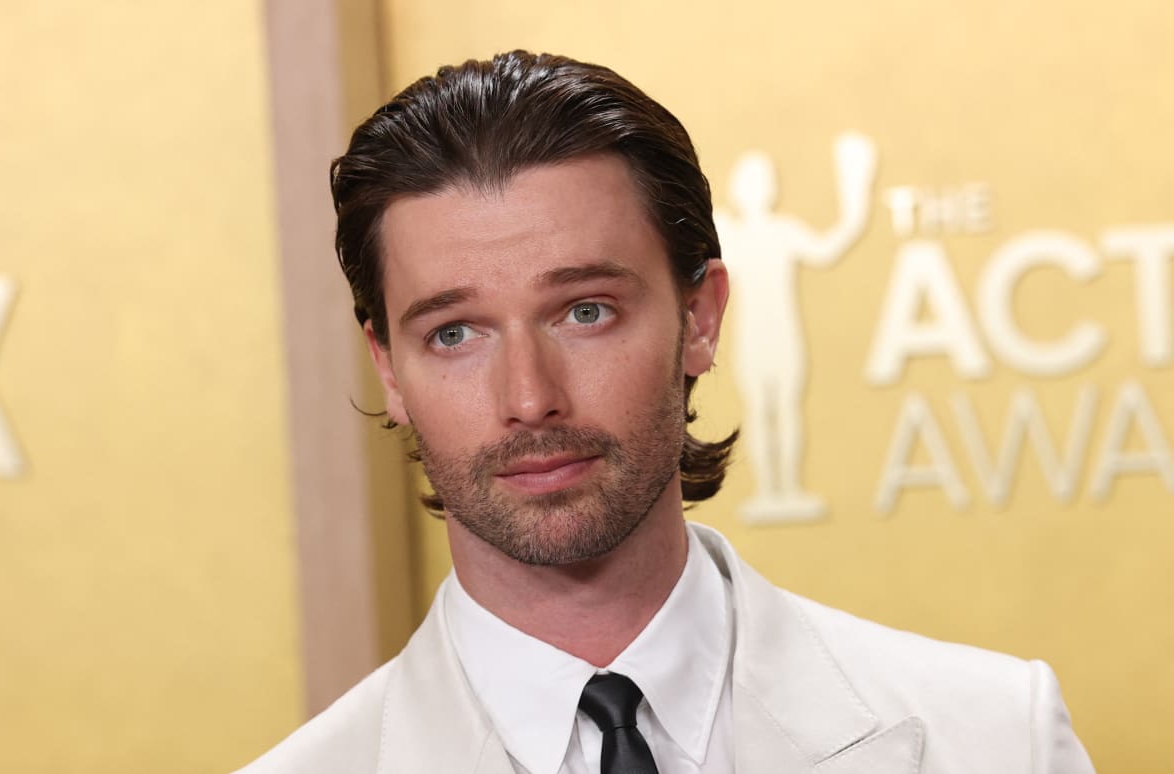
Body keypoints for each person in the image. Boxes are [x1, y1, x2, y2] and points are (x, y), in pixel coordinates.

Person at [239, 51, 1093, 774]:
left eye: (585, 311)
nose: (529, 398)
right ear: (388, 365)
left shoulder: (996, 736)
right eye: (454, 332)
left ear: (700, 318)